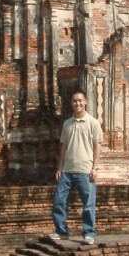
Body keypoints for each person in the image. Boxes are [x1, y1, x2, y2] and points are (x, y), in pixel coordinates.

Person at [50, 90, 103, 245]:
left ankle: (89, 232)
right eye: (74, 101)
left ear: (85, 102)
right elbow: (64, 147)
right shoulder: (67, 123)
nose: (77, 103)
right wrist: (60, 168)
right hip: (67, 170)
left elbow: (97, 146)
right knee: (59, 201)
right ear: (71, 103)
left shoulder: (93, 122)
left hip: (85, 170)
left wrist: (95, 167)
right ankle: (61, 231)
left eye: (80, 100)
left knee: (88, 205)